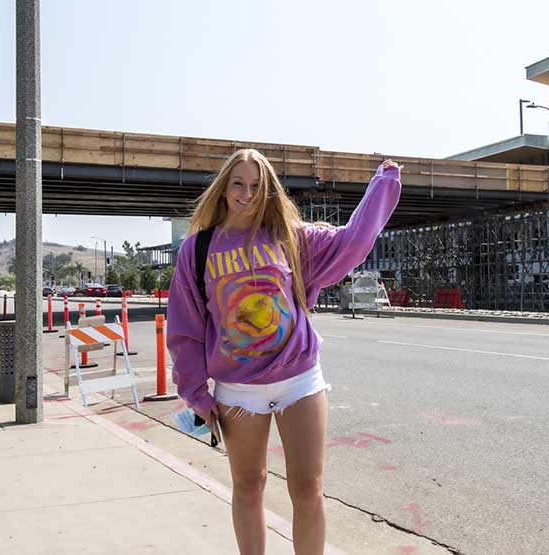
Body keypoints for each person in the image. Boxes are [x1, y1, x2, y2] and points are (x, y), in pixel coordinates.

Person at [166, 148, 401, 555]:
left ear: (268, 190)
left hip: (299, 380)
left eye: (256, 186)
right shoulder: (197, 249)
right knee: (248, 486)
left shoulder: (289, 236)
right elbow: (185, 329)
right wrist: (196, 394)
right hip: (238, 390)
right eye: (238, 184)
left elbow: (353, 243)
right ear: (224, 189)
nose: (246, 193)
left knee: (308, 489)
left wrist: (382, 185)